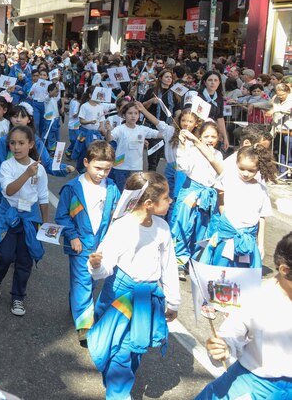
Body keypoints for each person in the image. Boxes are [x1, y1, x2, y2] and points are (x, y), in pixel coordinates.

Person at [87, 172, 179, 400]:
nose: (170, 201)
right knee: (121, 350)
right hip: (119, 295)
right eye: (166, 197)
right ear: (149, 203)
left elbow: (169, 267)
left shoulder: (163, 228)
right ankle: (118, 393)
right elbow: (105, 267)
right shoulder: (122, 226)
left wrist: (173, 300)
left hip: (147, 298)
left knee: (135, 347)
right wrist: (96, 265)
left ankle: (116, 386)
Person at [195, 231, 292, 399]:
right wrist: (221, 347)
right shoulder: (257, 296)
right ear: (285, 269)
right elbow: (231, 333)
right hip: (256, 387)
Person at [55, 140, 120, 346]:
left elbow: (117, 212)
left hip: (102, 244)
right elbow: (62, 216)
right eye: (98, 168)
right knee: (83, 281)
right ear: (86, 162)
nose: (102, 173)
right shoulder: (73, 188)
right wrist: (72, 236)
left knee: (91, 282)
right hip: (80, 244)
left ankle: (76, 303)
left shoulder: (111, 187)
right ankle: (85, 327)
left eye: (107, 169)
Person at [0, 125, 50, 317]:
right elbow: (9, 191)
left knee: (24, 261)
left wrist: (44, 225)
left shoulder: (40, 170)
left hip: (30, 219)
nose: (16, 147)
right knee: (4, 255)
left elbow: (44, 198)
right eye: (13, 143)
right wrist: (26, 174)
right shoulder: (7, 166)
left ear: (31, 144)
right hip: (8, 215)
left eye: (21, 143)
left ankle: (18, 296)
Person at [198, 145, 274, 269]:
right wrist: (195, 140)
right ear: (236, 164)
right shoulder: (229, 178)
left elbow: (262, 217)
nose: (245, 173)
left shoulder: (261, 189)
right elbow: (212, 159)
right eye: (242, 168)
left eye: (251, 170)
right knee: (220, 273)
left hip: (247, 240)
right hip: (227, 235)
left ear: (258, 168)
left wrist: (261, 244)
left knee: (242, 278)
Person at [169, 124, 224, 277]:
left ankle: (195, 260)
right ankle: (179, 261)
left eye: (213, 137)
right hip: (191, 190)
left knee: (202, 227)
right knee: (183, 225)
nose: (210, 140)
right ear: (199, 137)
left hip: (208, 194)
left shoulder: (218, 155)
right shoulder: (192, 150)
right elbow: (183, 166)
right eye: (206, 136)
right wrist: (182, 145)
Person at [103, 101, 164, 191]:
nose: (133, 116)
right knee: (120, 192)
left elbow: (161, 134)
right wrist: (108, 130)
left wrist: (167, 128)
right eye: (130, 113)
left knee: (134, 193)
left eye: (136, 113)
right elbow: (109, 139)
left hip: (137, 168)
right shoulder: (120, 129)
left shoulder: (142, 129)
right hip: (121, 167)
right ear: (124, 115)